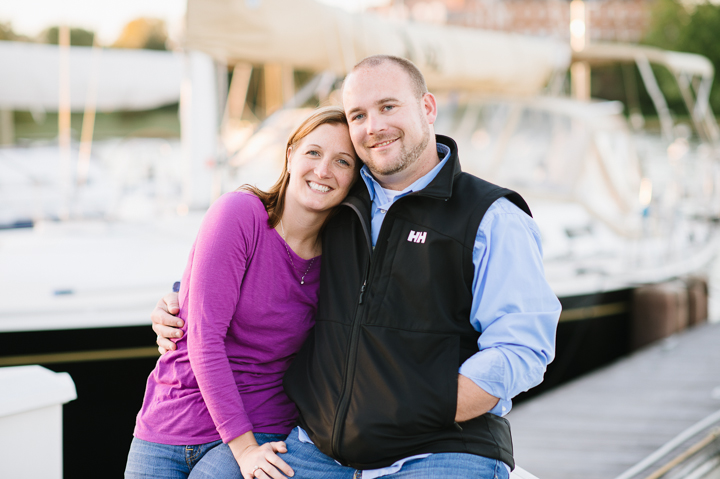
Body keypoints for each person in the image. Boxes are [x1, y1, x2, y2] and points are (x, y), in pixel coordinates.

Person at [153, 55, 561, 479]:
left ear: (427, 108)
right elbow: (251, 268)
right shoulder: (339, 205)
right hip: (320, 451)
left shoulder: (490, 217)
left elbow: (521, 349)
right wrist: (173, 303)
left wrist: (425, 407)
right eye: (358, 115)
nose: (373, 127)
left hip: (439, 448)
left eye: (388, 107)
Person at [125, 106, 360, 479]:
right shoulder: (241, 214)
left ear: (354, 178)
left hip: (260, 425)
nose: (323, 170)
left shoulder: (342, 259)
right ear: (290, 155)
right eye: (313, 152)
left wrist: (248, 449)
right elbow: (203, 334)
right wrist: (176, 296)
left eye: (343, 161)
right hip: (171, 419)